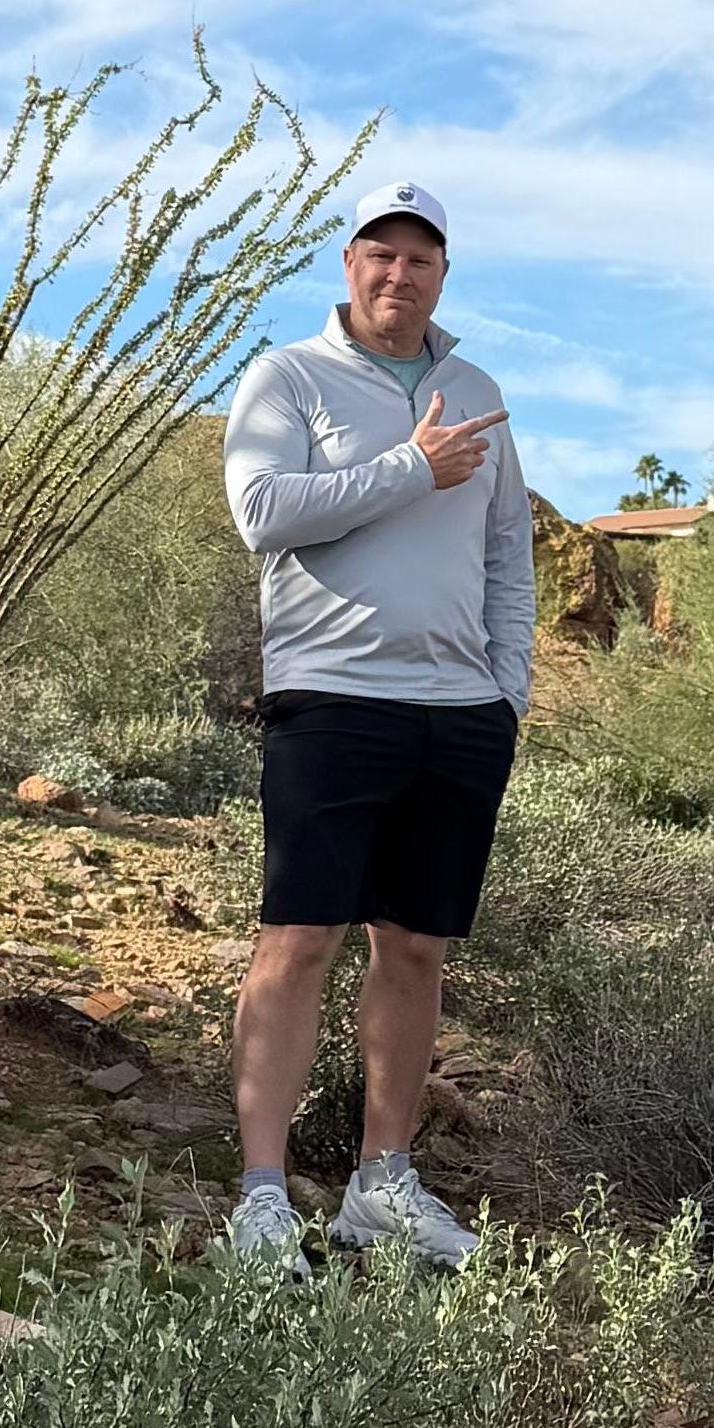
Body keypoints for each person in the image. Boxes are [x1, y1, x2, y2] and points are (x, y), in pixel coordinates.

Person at [216, 179, 531, 1273]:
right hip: (333, 698)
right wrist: (410, 468)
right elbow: (263, 513)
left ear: (444, 272)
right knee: (297, 942)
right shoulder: (288, 378)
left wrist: (509, 692)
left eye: (421, 258)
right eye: (379, 255)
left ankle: (379, 1185)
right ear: (347, 265)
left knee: (414, 948)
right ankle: (262, 1196)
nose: (399, 275)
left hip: (457, 715)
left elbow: (505, 554)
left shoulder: (477, 389)